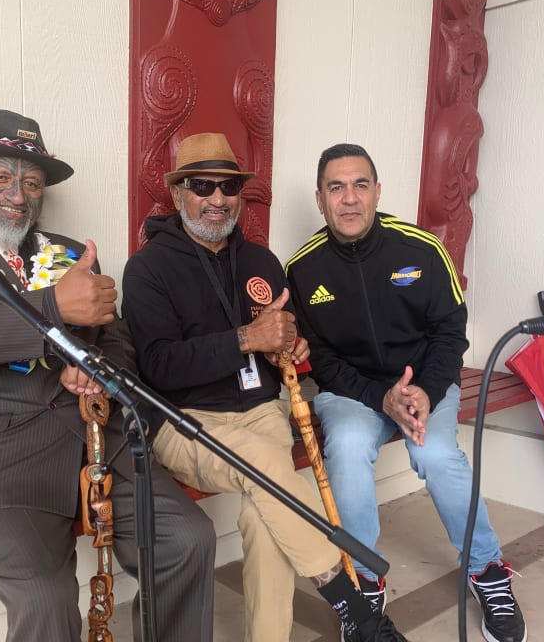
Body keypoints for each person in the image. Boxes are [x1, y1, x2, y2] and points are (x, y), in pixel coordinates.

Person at [0, 109, 216, 642]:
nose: (18, 192)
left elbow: (119, 344)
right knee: (46, 596)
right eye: (0, 175)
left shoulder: (68, 255)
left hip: (89, 446)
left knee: (188, 538)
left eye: (31, 181)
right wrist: (55, 306)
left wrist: (98, 375)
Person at [121, 132, 408, 642]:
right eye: (203, 185)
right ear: (180, 192)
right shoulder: (147, 269)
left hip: (263, 413)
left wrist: (288, 350)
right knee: (270, 474)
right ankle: (351, 603)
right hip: (187, 423)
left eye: (228, 186)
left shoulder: (261, 263)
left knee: (265, 520)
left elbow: (284, 343)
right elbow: (159, 366)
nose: (217, 199)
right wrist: (245, 339)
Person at [284, 143, 528, 642]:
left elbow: (450, 332)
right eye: (336, 187)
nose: (349, 199)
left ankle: (487, 571)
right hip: (352, 393)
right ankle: (365, 581)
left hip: (424, 385)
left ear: (377, 192)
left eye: (360, 185)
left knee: (437, 454)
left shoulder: (421, 248)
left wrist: (424, 390)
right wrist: (380, 398)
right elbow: (323, 361)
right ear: (319, 198)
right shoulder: (303, 268)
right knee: (348, 449)